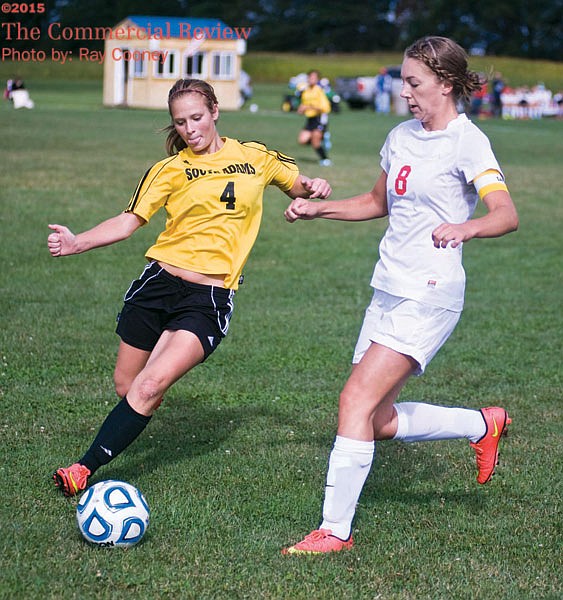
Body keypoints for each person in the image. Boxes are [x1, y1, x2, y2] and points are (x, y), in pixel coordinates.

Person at [282, 36, 519, 555]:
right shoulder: (400, 136)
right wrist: (319, 210)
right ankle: (483, 424)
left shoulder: (467, 141)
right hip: (387, 287)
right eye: (403, 82)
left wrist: (466, 227)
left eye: (414, 83)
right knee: (377, 419)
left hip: (429, 294)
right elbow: (376, 201)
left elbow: (506, 214)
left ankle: (334, 532)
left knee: (354, 401)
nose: (405, 93)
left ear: (447, 83)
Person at [48, 78, 331, 497]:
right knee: (128, 387)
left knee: (149, 385)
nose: (189, 129)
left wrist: (317, 188)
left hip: (208, 298)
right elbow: (128, 222)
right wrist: (78, 242)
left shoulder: (255, 156)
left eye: (196, 118)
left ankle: (82, 469)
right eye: (180, 122)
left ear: (215, 111)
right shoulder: (169, 169)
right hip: (157, 285)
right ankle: (137, 413)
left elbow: (301, 185)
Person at [297, 70, 332, 166]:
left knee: (315, 142)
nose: (311, 79)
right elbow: (303, 105)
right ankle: (323, 138)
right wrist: (301, 109)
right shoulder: (306, 91)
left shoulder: (319, 90)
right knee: (302, 140)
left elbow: (326, 108)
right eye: (310, 77)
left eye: (314, 78)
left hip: (319, 119)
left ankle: (325, 159)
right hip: (310, 119)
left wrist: (309, 107)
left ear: (317, 79)